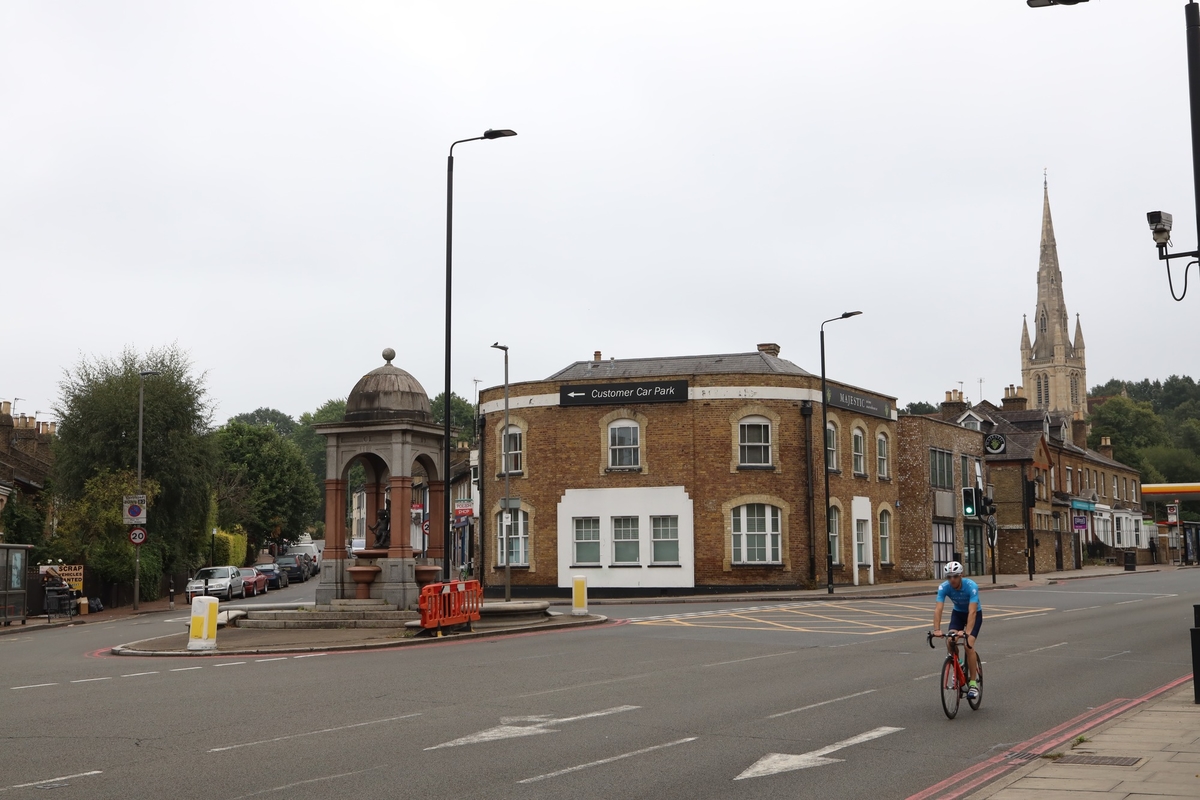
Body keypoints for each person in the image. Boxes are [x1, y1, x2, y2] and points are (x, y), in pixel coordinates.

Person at [931, 561, 982, 700]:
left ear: (961, 575)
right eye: (949, 576)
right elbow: (938, 608)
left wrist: (967, 632)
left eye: (955, 576)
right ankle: (958, 666)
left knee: (968, 645)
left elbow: (972, 612)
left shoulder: (971, 586)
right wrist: (937, 629)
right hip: (958, 614)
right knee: (950, 640)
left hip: (974, 615)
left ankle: (972, 684)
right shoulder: (944, 587)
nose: (952, 579)